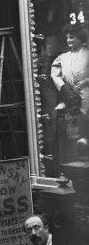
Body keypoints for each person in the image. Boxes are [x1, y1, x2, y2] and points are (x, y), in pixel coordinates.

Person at [51, 24, 89, 156]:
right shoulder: (63, 57)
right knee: (70, 129)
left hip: (86, 96)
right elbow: (54, 74)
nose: (68, 40)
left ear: (80, 38)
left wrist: (86, 80)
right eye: (67, 37)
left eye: (71, 37)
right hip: (70, 98)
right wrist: (64, 87)